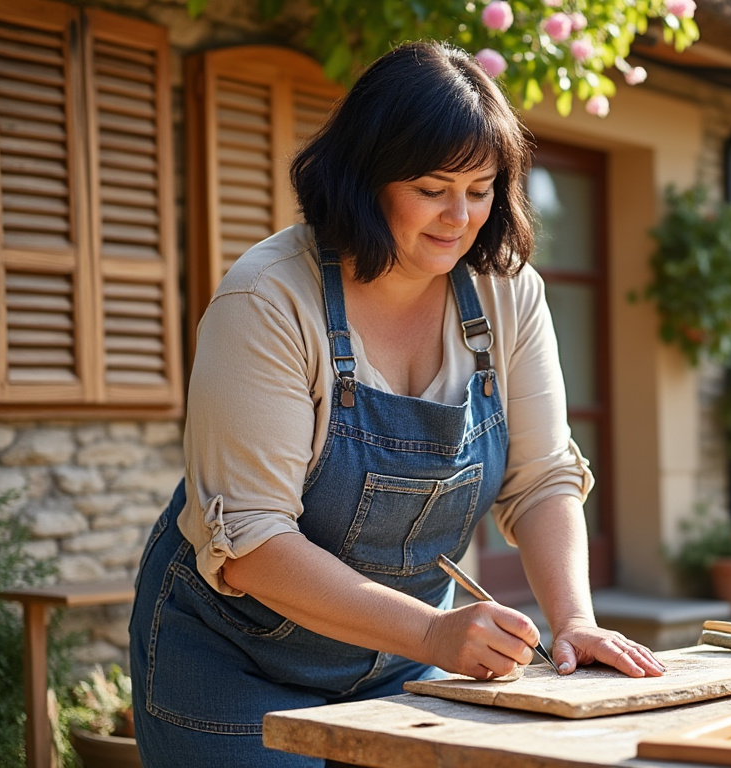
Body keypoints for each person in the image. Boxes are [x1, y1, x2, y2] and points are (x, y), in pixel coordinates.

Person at [129, 40, 663, 766]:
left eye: (480, 190)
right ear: (367, 178)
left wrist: (573, 621)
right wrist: (434, 635)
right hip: (235, 664)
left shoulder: (508, 293)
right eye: (433, 188)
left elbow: (541, 480)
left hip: (401, 658)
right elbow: (251, 542)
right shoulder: (268, 299)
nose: (460, 217)